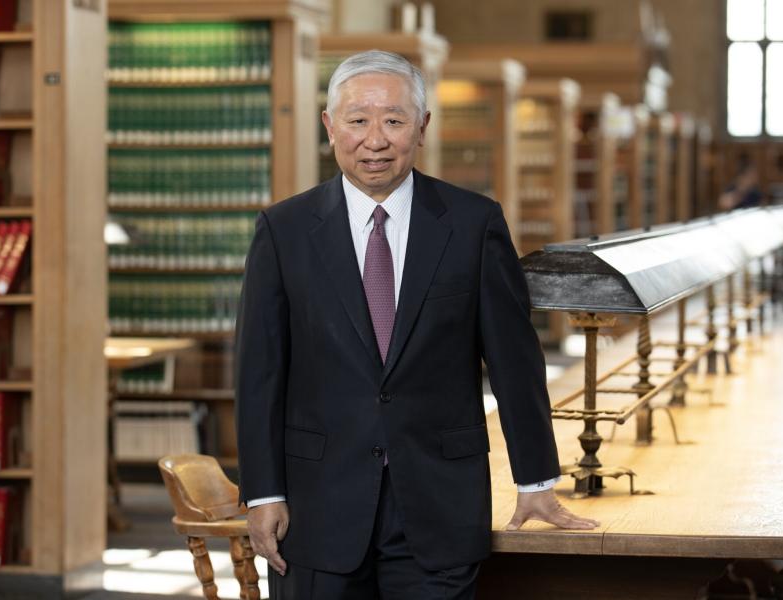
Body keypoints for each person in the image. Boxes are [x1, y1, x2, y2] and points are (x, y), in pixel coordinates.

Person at [234, 50, 598, 599]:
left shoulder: (474, 223)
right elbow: (259, 374)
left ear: (422, 127)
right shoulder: (283, 230)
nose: (375, 140)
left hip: (440, 505)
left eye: (394, 120)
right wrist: (263, 494)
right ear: (329, 126)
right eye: (357, 120)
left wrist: (536, 479)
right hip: (316, 508)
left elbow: (514, 362)